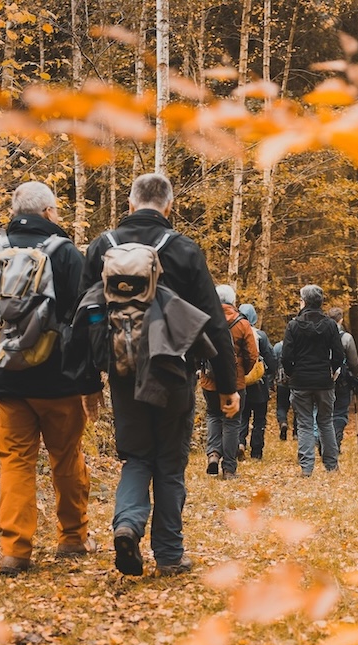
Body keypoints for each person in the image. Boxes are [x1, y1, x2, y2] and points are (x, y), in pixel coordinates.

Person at [82, 173, 240, 576]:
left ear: (131, 204)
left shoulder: (103, 246)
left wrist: (88, 383)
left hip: (121, 370)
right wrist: (226, 385)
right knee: (169, 463)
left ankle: (127, 525)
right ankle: (169, 555)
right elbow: (215, 325)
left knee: (136, 457)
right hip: (174, 372)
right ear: (168, 207)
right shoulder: (184, 249)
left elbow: (81, 317)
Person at [0, 180, 101, 576]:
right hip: (60, 382)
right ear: (48, 212)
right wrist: (86, 377)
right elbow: (84, 319)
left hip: (9, 384)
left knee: (16, 462)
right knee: (67, 458)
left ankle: (15, 550)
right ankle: (73, 538)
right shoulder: (67, 253)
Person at [281, 284, 344, 476]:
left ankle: (307, 468)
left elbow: (286, 356)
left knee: (305, 423)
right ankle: (331, 466)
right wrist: (333, 371)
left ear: (304, 301)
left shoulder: (293, 325)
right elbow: (338, 353)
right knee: (326, 421)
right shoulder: (330, 325)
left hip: (301, 381)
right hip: (324, 381)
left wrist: (292, 373)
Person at [199, 285, 257, 479]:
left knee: (214, 415)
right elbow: (252, 355)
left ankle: (213, 454)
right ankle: (230, 469)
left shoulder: (205, 320)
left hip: (209, 381)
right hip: (235, 383)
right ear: (233, 301)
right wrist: (242, 372)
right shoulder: (242, 323)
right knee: (232, 423)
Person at [238, 303, 276, 460]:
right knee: (259, 419)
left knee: (242, 416)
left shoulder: (236, 333)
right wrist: (270, 374)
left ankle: (240, 443)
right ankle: (256, 451)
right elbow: (271, 359)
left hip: (240, 382)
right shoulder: (260, 336)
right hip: (259, 384)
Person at [327, 306, 358, 453]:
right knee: (340, 412)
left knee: (325, 412)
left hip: (323, 379)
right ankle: (335, 444)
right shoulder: (346, 338)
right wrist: (354, 375)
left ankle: (324, 443)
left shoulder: (321, 335)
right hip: (342, 380)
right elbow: (353, 362)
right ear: (341, 319)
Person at [273, 338, 292, 441]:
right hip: (296, 381)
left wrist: (272, 379)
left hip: (282, 381)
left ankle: (283, 422)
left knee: (281, 406)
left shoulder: (277, 347)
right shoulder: (298, 345)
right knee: (298, 407)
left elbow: (273, 363)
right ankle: (296, 433)